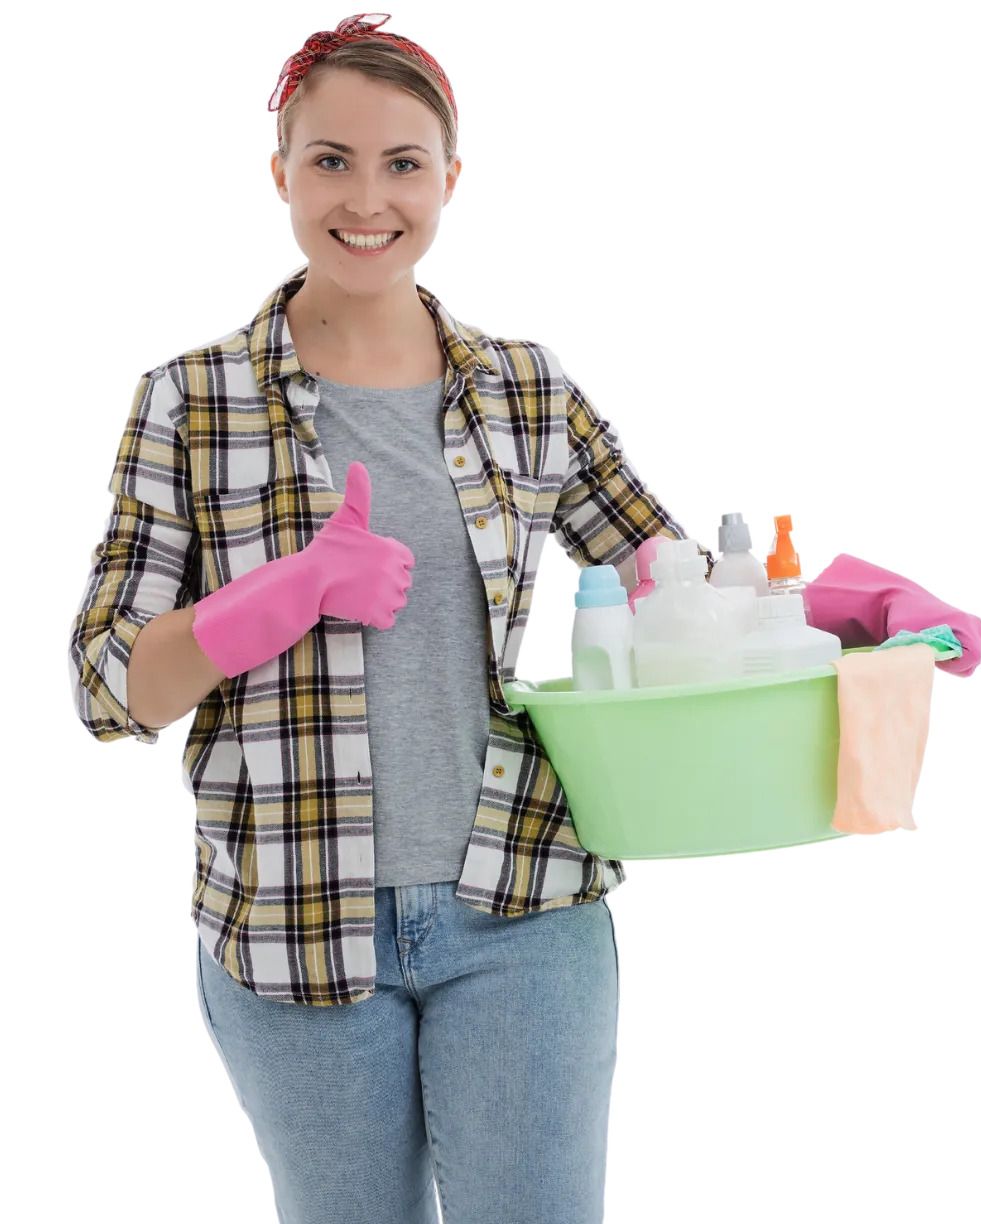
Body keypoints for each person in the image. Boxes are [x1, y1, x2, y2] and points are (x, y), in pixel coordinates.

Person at [67, 14, 714, 1224]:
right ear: (280, 171)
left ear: (450, 178)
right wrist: (279, 595)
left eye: (403, 163)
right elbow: (106, 687)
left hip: (519, 908)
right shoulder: (190, 401)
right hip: (291, 926)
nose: (367, 198)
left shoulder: (525, 388)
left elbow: (670, 578)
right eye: (330, 160)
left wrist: (854, 609)